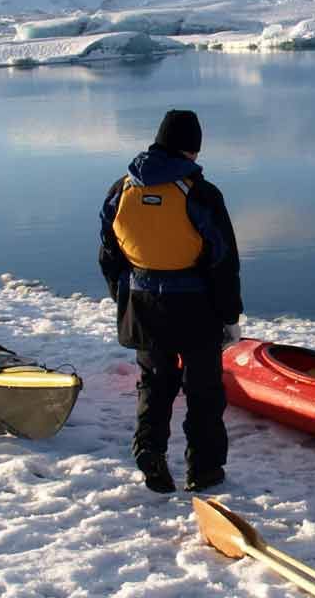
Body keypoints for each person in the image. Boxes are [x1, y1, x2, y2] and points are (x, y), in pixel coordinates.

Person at [99, 109, 242, 494]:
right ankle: (205, 470)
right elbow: (223, 261)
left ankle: (150, 452)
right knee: (204, 391)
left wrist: (124, 300)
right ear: (190, 149)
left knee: (155, 384)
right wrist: (230, 316)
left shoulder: (121, 189)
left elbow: (109, 256)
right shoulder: (200, 193)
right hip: (195, 307)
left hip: (143, 304)